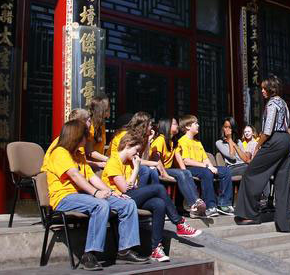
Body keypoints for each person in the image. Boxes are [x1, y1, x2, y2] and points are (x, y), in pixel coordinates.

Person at [43, 119, 144, 270]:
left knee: (127, 204)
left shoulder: (78, 154)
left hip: (83, 195)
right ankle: (89, 254)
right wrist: (96, 193)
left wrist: (112, 192)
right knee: (101, 205)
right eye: (85, 135)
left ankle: (124, 251)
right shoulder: (59, 152)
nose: (88, 139)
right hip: (64, 198)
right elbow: (76, 176)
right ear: (77, 136)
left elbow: (92, 177)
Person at [103, 130, 201, 262]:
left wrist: (134, 170)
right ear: (127, 145)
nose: (137, 155)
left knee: (158, 204)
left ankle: (156, 248)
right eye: (136, 151)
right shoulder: (114, 160)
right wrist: (137, 168)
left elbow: (134, 186)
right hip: (119, 199)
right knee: (159, 188)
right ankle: (179, 223)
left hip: (130, 198)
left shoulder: (129, 162)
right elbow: (125, 188)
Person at [234, 76, 290, 231]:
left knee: (251, 173)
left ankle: (249, 215)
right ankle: (284, 224)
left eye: (264, 88)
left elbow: (268, 130)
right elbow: (287, 124)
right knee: (283, 183)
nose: (262, 91)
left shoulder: (272, 104)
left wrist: (257, 146)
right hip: (287, 140)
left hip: (275, 139)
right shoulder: (284, 103)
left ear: (271, 89)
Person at [149, 117, 208, 218]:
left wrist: (186, 171)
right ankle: (194, 204)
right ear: (167, 126)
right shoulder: (160, 139)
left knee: (185, 172)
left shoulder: (173, 142)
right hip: (157, 169)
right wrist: (164, 173)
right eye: (175, 124)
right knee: (181, 173)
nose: (177, 126)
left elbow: (179, 158)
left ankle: (195, 202)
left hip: (168, 169)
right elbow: (155, 158)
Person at [176, 114, 234, 216]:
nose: (198, 125)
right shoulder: (182, 141)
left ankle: (224, 204)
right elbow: (186, 161)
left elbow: (205, 158)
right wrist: (207, 167)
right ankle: (210, 206)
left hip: (203, 167)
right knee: (207, 172)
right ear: (188, 127)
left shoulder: (197, 142)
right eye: (195, 123)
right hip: (191, 168)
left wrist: (211, 166)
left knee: (225, 171)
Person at [86, 95, 111, 170]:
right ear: (103, 110)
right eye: (108, 107)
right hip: (90, 166)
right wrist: (108, 159)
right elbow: (89, 151)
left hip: (100, 163)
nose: (110, 109)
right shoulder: (90, 126)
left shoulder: (101, 124)